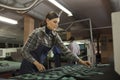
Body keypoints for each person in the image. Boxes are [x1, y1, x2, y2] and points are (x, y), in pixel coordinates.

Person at [19, 11, 91, 74]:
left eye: (58, 23)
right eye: (54, 22)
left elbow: (66, 51)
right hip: (28, 65)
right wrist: (36, 63)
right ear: (47, 20)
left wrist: (81, 61)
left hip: (39, 66)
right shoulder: (37, 33)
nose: (56, 25)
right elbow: (24, 51)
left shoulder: (55, 36)